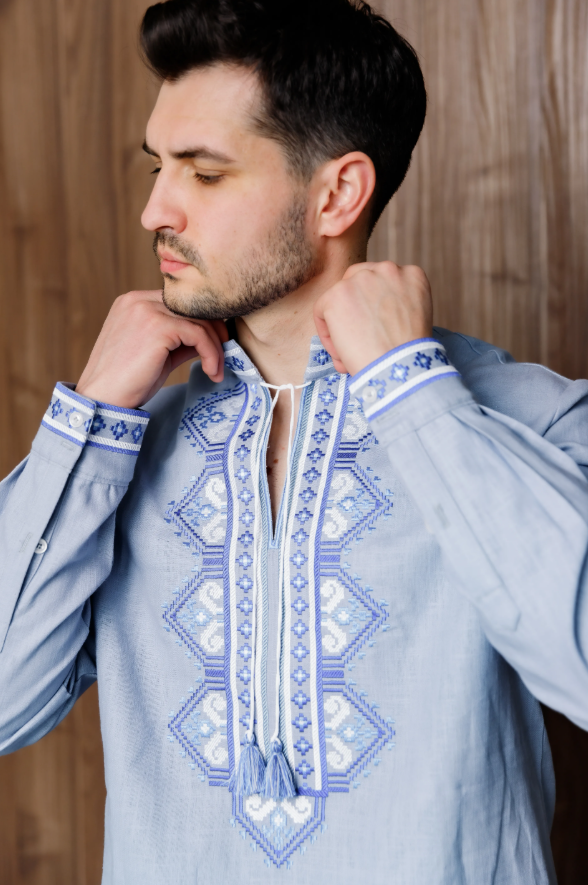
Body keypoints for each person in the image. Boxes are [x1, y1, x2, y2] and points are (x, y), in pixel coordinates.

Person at [0, 0, 587, 881]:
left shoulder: (527, 420)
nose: (155, 209)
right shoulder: (119, 446)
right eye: (158, 166)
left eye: (204, 174)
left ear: (338, 194)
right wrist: (88, 420)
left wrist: (413, 395)